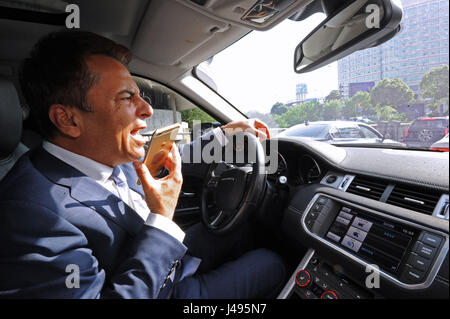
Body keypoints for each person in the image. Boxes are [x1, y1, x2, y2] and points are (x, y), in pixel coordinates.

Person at [0, 30, 286, 298]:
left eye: (140, 95)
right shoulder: (29, 214)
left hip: (168, 257)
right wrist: (162, 218)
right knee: (272, 263)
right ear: (68, 120)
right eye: (126, 97)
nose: (147, 109)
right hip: (164, 289)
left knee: (241, 227)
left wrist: (224, 136)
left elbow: (165, 161)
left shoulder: (104, 154)